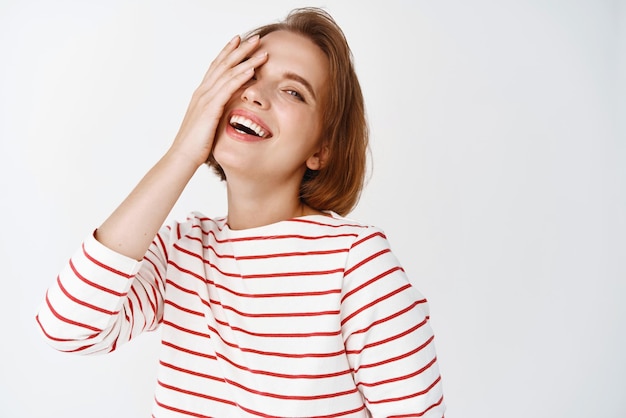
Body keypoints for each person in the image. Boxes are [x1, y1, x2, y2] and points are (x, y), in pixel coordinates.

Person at [36, 7, 445, 417]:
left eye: (294, 91)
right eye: (247, 74)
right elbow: (67, 328)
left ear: (322, 150)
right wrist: (182, 153)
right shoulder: (182, 250)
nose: (253, 93)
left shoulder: (356, 262)